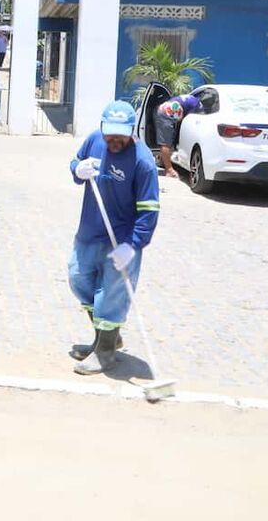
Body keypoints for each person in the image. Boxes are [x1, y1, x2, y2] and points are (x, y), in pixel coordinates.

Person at [67, 101, 160, 375]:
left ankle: (105, 353)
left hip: (122, 241)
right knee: (78, 278)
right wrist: (77, 169)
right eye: (110, 133)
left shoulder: (142, 162)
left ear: (132, 131)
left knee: (110, 296)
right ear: (102, 128)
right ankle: (106, 337)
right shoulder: (95, 140)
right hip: (89, 232)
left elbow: (150, 210)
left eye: (121, 134)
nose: (114, 139)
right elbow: (75, 162)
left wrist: (133, 246)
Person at [154, 93, 202, 178]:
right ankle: (169, 170)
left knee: (166, 140)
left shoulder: (191, 98)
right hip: (167, 113)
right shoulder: (196, 108)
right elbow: (188, 120)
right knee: (165, 143)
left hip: (163, 108)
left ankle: (164, 162)